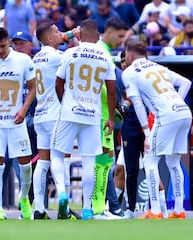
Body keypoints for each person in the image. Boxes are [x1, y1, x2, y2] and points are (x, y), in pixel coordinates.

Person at [51, 19, 117, 220]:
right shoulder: (105, 56)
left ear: (80, 34)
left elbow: (58, 82)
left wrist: (65, 102)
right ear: (96, 35)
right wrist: (111, 119)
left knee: (57, 155)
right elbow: (112, 91)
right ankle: (87, 208)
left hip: (70, 110)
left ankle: (62, 192)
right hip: (93, 114)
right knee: (89, 160)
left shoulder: (70, 53)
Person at [122, 39, 192, 219]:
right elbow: (186, 83)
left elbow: (136, 103)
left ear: (129, 55)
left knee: (149, 161)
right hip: (184, 112)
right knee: (174, 162)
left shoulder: (129, 72)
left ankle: (154, 210)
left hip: (166, 115)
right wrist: (177, 103)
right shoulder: (158, 66)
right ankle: (178, 210)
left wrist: (146, 131)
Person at [0, 27, 36, 220]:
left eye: (3, 46)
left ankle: (25, 198)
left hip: (17, 120)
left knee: (25, 164)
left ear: (8, 41)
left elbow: (34, 87)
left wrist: (24, 109)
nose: (0, 51)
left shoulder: (23, 60)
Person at [31, 21, 74, 220]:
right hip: (55, 115)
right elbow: (76, 60)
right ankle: (63, 195)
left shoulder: (36, 57)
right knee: (58, 158)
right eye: (57, 32)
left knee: (43, 161)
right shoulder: (58, 57)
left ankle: (38, 208)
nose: (60, 34)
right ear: (49, 38)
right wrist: (75, 38)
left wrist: (67, 35)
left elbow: (62, 37)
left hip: (40, 113)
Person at [92, 17, 128, 219]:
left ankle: (106, 206)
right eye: (120, 36)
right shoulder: (103, 54)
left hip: (98, 114)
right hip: (102, 115)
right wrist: (115, 110)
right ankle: (103, 208)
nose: (121, 41)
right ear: (110, 32)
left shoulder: (100, 51)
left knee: (104, 162)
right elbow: (108, 89)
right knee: (103, 162)